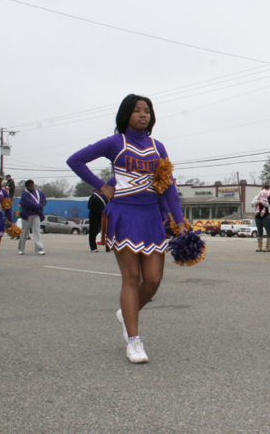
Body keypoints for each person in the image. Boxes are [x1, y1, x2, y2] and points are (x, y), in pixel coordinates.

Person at [67, 94, 187, 363]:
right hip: (124, 215)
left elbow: (168, 187)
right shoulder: (115, 142)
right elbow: (75, 160)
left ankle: (126, 312)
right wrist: (102, 187)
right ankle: (134, 341)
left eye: (147, 111)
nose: (143, 115)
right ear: (125, 115)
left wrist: (179, 221)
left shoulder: (158, 147)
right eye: (136, 111)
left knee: (153, 280)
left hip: (152, 217)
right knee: (131, 279)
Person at [17, 180, 46, 255]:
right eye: (29, 185)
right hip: (27, 215)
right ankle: (21, 249)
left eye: (32, 185)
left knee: (37, 232)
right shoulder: (25, 194)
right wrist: (40, 206)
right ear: (26, 187)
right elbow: (29, 204)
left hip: (36, 215)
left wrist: (43, 203)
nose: (31, 187)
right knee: (24, 232)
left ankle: (38, 249)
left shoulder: (38, 192)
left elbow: (43, 199)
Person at [253, 183, 270, 252]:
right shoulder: (257, 196)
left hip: (266, 215)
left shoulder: (269, 197)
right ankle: (259, 247)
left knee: (268, 231)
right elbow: (252, 203)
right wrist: (257, 201)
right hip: (258, 216)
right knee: (259, 231)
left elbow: (269, 205)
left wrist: (262, 201)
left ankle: (267, 247)